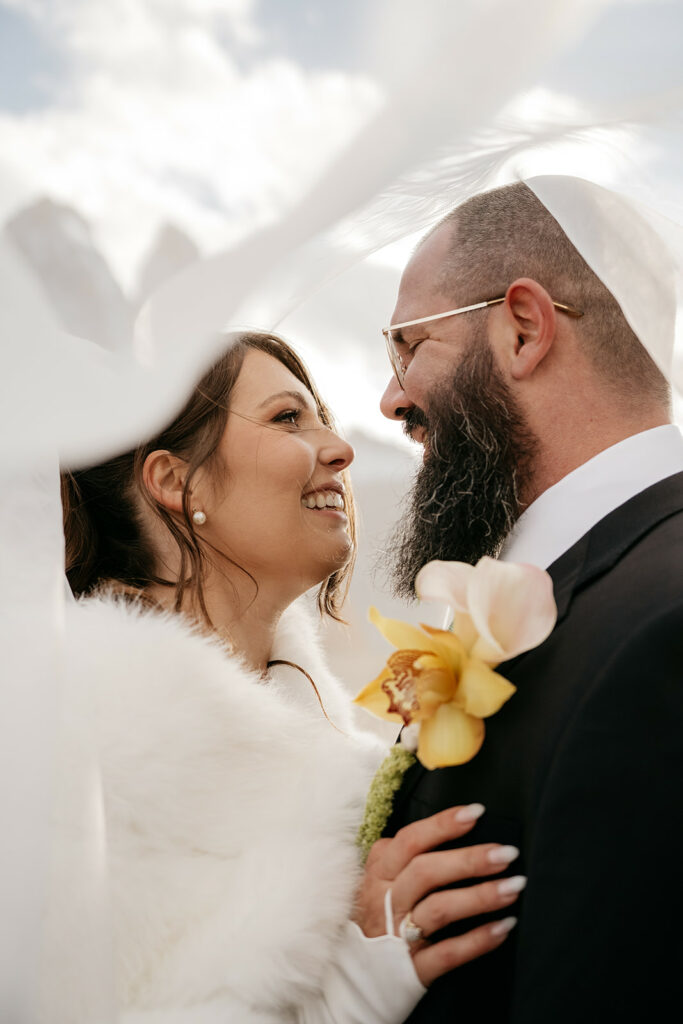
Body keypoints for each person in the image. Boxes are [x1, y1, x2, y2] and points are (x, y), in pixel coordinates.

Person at [48, 330, 524, 1023]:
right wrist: (353, 992)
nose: (339, 448)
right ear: (174, 481)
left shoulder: (325, 734)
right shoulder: (79, 744)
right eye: (286, 418)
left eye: (320, 417)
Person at [378, 180, 683, 1023]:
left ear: (522, 327)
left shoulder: (665, 623)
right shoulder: (567, 590)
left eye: (408, 346)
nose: (391, 398)